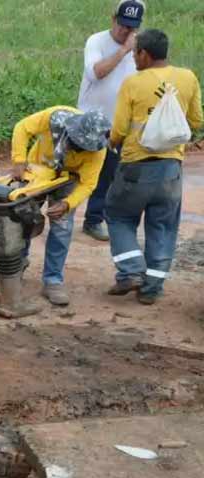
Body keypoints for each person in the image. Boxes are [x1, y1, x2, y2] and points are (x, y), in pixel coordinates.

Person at [107, 29, 203, 305]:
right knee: (163, 226)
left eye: (135, 53)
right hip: (171, 169)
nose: (134, 58)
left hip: (135, 167)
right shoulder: (187, 78)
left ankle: (131, 271)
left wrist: (111, 142)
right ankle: (151, 289)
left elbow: (119, 129)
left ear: (145, 54)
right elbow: (196, 121)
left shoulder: (133, 83)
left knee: (118, 216)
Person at [11, 107, 110, 306]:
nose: (79, 150)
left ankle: (53, 280)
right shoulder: (55, 117)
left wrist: (67, 204)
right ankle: (16, 265)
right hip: (38, 170)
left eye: (84, 148)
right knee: (23, 218)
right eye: (77, 144)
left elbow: (88, 184)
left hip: (67, 180)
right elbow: (22, 127)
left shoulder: (98, 150)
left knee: (62, 227)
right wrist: (19, 161)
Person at [77, 0, 146, 242]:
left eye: (131, 27)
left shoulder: (141, 48)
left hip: (119, 123)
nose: (125, 31)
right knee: (77, 172)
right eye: (122, 24)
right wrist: (123, 50)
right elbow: (96, 73)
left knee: (110, 174)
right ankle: (60, 216)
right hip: (90, 120)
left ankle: (94, 219)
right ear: (113, 19)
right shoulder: (96, 41)